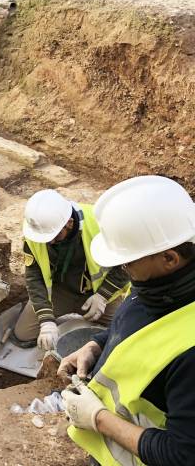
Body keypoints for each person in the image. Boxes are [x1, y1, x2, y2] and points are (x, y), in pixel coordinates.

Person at [59, 175, 195, 466]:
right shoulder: (162, 283)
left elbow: (183, 455)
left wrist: (98, 418)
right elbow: (140, 326)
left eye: (128, 261)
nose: (123, 267)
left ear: (170, 258)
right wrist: (96, 345)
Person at [13, 189, 130, 350]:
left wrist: (103, 296)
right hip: (59, 292)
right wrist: (46, 320)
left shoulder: (101, 223)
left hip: (96, 294)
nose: (50, 242)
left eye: (55, 236)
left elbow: (127, 264)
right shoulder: (37, 231)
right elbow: (34, 276)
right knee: (23, 335)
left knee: (125, 333)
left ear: (69, 223)